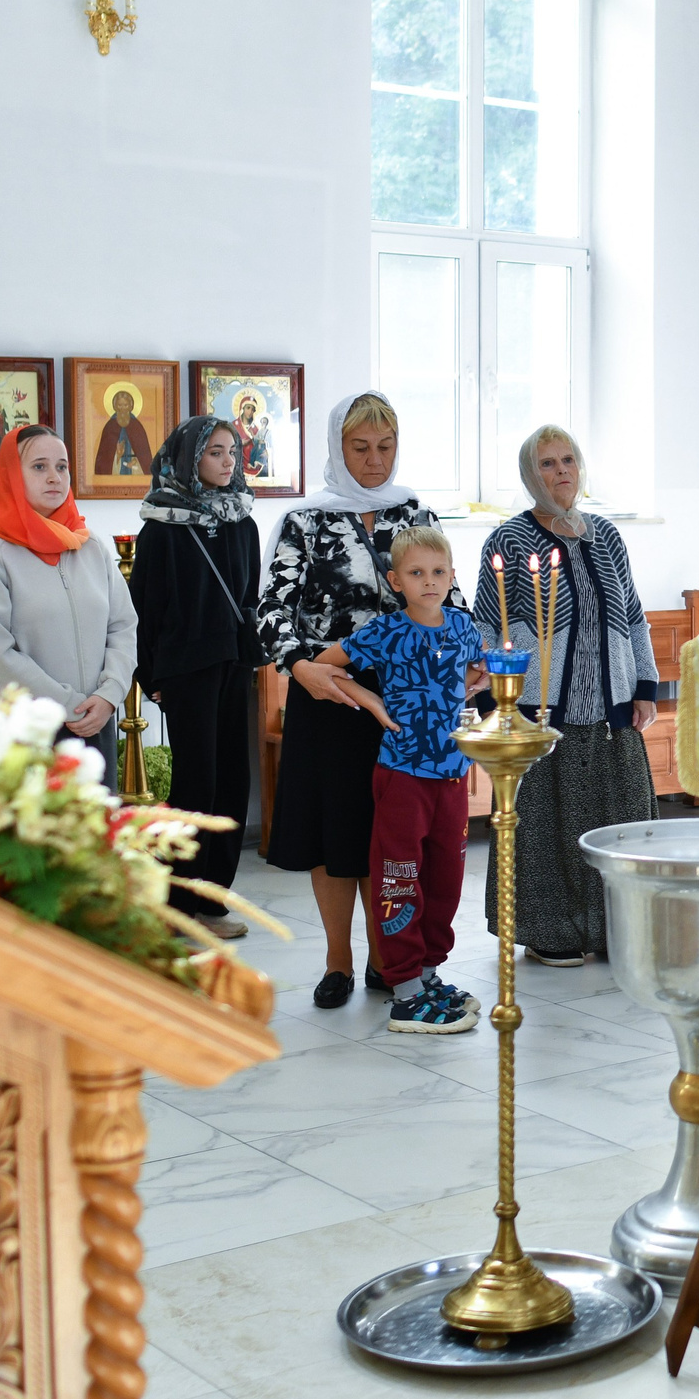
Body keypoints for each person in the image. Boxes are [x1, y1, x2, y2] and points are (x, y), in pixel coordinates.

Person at [257, 391, 466, 1008]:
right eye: (360, 448)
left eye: (385, 447)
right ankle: (337, 960)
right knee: (334, 831)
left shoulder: (417, 512)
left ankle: (389, 956)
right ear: (336, 449)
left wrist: (469, 665)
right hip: (327, 691)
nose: (374, 461)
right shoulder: (306, 521)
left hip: (406, 699)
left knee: (392, 836)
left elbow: (449, 602)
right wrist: (301, 668)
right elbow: (271, 612)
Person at [470, 426, 662, 967]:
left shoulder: (605, 535)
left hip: (610, 710)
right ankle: (547, 931)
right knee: (544, 827)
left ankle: (617, 930)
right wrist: (498, 707)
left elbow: (633, 616)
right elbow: (488, 627)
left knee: (619, 823)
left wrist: (643, 687)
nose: (562, 472)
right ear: (531, 475)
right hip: (541, 712)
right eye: (548, 464)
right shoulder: (509, 541)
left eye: (568, 460)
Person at [307, 527, 487, 1035]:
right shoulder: (383, 632)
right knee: (399, 877)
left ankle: (429, 975)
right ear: (395, 580)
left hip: (452, 775)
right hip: (402, 776)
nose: (429, 582)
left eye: (438, 572)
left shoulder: (464, 627)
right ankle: (404, 989)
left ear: (452, 576)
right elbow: (324, 668)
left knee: (446, 882)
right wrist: (371, 702)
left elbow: (481, 667)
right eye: (416, 573)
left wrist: (480, 681)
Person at [130, 415, 264, 939]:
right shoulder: (161, 528)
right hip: (186, 670)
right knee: (195, 784)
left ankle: (214, 896)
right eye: (215, 452)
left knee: (233, 779)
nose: (228, 461)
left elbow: (248, 598)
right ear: (188, 458)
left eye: (232, 451)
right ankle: (177, 899)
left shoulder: (243, 523)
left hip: (233, 665)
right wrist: (149, 675)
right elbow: (146, 609)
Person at [0, 423, 137, 772]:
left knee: (96, 825)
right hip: (26, 731)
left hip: (95, 723)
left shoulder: (90, 546)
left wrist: (109, 693)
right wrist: (67, 705)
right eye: (39, 466)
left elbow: (123, 625)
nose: (54, 476)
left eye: (62, 466)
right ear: (11, 474)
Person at [96, 385, 153, 478]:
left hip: (134, 472)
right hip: (114, 475)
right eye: (119, 405)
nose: (122, 409)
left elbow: (145, 458)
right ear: (115, 406)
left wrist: (135, 462)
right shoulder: (110, 427)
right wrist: (117, 456)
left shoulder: (137, 426)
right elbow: (104, 460)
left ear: (131, 406)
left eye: (125, 405)